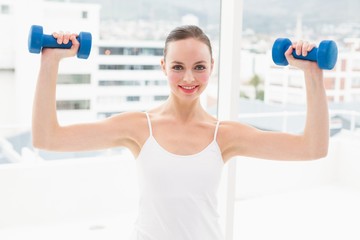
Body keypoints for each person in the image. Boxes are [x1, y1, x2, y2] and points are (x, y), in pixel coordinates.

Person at [32, 25, 329, 240]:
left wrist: (312, 73)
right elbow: (48, 138)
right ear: (163, 67)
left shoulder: (224, 135)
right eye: (178, 67)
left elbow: (312, 148)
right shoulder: (137, 127)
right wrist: (50, 60)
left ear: (211, 67)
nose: (189, 78)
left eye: (199, 67)